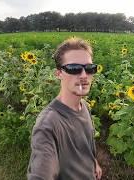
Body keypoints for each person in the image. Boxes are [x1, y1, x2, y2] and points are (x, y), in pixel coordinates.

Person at [27, 37, 102, 180]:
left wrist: (94, 162)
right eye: (74, 69)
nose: (84, 76)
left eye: (90, 68)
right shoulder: (48, 125)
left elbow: (86, 142)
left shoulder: (84, 106)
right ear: (59, 74)